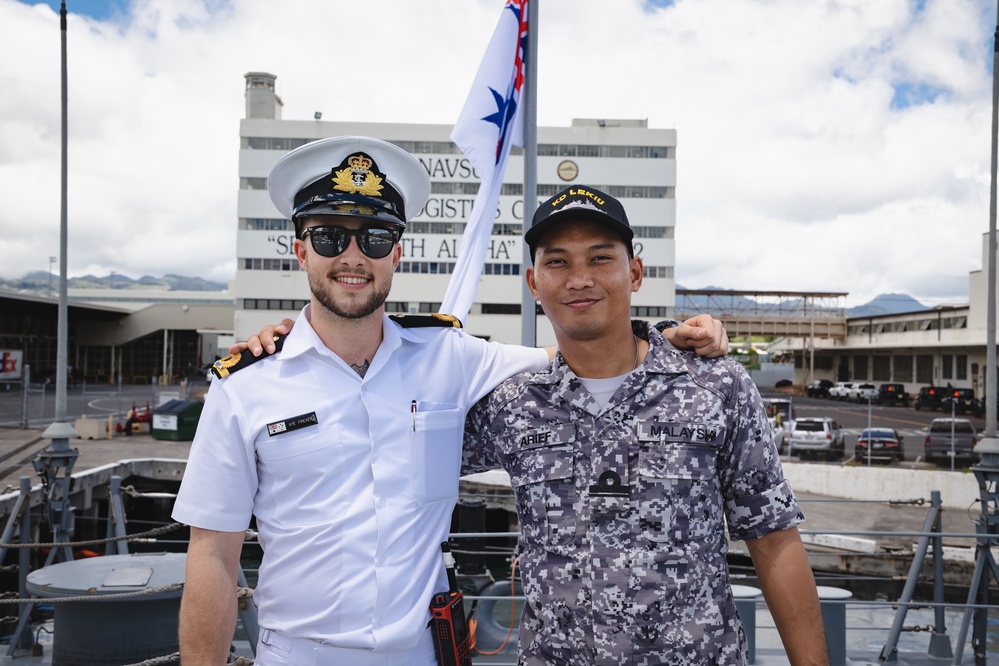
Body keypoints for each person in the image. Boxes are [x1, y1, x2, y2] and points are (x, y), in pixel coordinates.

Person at [172, 136, 728, 666]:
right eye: (328, 237)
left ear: (398, 254)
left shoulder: (449, 357)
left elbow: (582, 354)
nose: (352, 256)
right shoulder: (245, 385)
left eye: (375, 239)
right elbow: (214, 558)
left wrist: (667, 336)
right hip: (299, 653)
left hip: (425, 651)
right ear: (300, 250)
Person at [461, 185, 828, 665]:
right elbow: (400, 458)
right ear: (534, 282)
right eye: (558, 263)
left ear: (634, 272)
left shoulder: (715, 387)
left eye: (599, 259)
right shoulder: (513, 402)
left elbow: (773, 538)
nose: (579, 279)